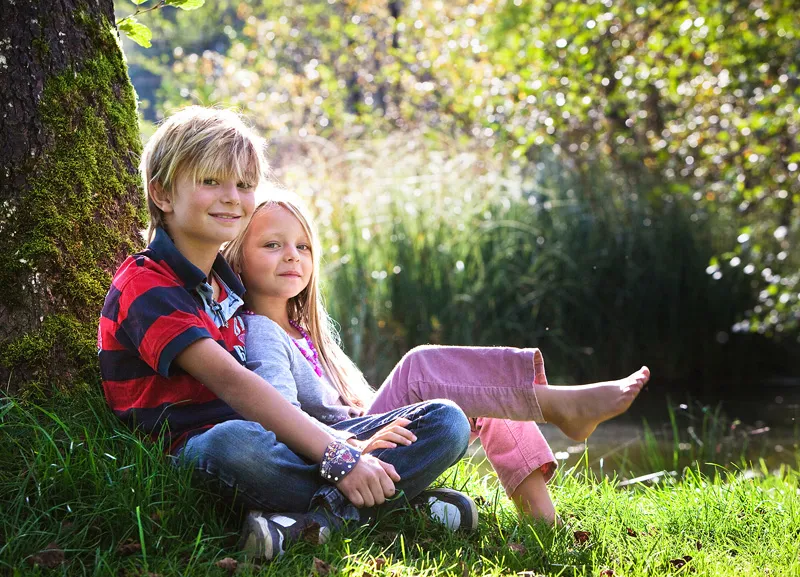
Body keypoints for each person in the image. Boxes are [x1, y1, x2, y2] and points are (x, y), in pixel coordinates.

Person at [97, 106, 477, 562]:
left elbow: (284, 405)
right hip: (205, 451)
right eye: (210, 181)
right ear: (161, 193)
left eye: (243, 184)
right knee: (234, 441)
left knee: (445, 421)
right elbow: (235, 385)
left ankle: (311, 524)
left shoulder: (225, 284)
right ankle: (393, 504)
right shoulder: (147, 283)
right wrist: (338, 454)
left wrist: (345, 440)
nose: (231, 197)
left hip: (277, 441)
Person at [222, 192, 651, 525]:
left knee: (481, 391)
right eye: (273, 245)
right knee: (422, 367)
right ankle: (557, 406)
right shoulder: (261, 330)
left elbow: (353, 406)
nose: (293, 255)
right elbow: (277, 418)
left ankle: (542, 517)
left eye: (302, 246)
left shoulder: (309, 334)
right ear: (238, 259)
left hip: (365, 440)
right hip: (339, 452)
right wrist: (349, 448)